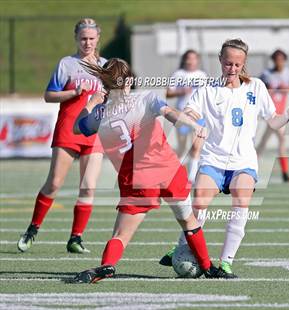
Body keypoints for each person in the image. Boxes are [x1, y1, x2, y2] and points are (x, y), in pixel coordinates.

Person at [72, 58, 230, 283]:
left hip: (137, 178)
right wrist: (194, 126)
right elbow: (171, 113)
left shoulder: (100, 114)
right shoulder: (145, 98)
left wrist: (91, 102)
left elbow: (77, 127)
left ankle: (106, 266)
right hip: (167, 170)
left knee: (121, 235)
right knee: (189, 221)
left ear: (106, 85)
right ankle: (209, 267)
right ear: (129, 81)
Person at [159, 39, 289, 278]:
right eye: (228, 63)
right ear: (220, 60)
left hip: (243, 162)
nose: (232, 69)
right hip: (213, 159)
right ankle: (183, 244)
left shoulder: (256, 87)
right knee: (199, 201)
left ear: (244, 63)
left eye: (237, 64)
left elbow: (273, 120)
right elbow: (191, 111)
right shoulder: (207, 90)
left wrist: (288, 116)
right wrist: (191, 121)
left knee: (241, 200)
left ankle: (226, 263)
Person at [17, 18, 106, 254]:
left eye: (91, 38)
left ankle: (75, 238)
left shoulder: (106, 66)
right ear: (76, 39)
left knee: (88, 188)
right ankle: (32, 229)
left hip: (95, 132)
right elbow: (49, 95)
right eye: (83, 38)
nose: (87, 42)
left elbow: (116, 97)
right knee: (54, 183)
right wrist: (73, 92)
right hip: (69, 128)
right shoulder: (67, 64)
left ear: (98, 39)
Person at [256, 49, 289, 182]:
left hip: (280, 113)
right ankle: (285, 173)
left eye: (281, 60)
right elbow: (256, 90)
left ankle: (252, 167)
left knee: (265, 143)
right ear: (273, 60)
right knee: (280, 140)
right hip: (270, 113)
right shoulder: (266, 74)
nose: (279, 62)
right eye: (276, 59)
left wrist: (286, 87)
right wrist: (270, 90)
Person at [166, 50, 207, 182]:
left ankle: (192, 179)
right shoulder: (179, 74)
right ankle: (173, 173)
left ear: (197, 60)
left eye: (194, 58)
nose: (191, 61)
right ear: (184, 60)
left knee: (196, 146)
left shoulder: (202, 75)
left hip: (198, 115)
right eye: (188, 58)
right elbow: (168, 93)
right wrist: (180, 91)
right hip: (182, 114)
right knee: (183, 148)